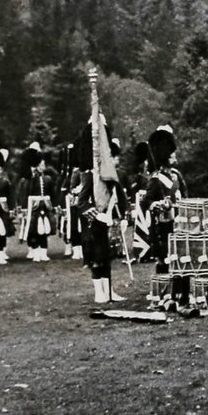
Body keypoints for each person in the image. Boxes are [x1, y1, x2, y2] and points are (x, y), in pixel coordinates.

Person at [72, 123, 128, 303]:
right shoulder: (89, 175)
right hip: (93, 223)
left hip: (109, 222)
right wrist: (96, 214)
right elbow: (81, 202)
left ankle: (109, 290)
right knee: (96, 257)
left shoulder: (111, 174)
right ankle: (99, 292)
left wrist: (124, 216)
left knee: (107, 257)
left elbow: (120, 196)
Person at [141, 125, 186, 278]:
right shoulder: (155, 179)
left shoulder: (176, 175)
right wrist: (156, 205)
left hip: (179, 220)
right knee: (165, 258)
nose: (175, 156)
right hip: (163, 224)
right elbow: (147, 200)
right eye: (172, 154)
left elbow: (184, 194)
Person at [19, 142, 57, 262]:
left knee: (44, 230)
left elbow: (52, 194)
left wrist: (54, 206)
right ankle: (35, 252)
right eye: (40, 164)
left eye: (43, 164)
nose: (42, 166)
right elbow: (26, 193)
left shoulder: (48, 179)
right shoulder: (30, 179)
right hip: (34, 208)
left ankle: (43, 252)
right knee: (34, 230)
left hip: (45, 207)